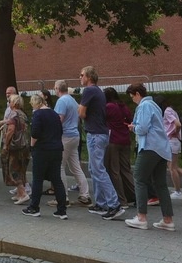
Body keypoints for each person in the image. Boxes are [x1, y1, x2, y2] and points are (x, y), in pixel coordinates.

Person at [125, 83, 175, 231]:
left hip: (149, 147)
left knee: (139, 178)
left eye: (132, 96)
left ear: (137, 94)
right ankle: (168, 219)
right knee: (160, 184)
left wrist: (134, 127)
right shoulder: (154, 105)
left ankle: (141, 217)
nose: (132, 99)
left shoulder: (144, 105)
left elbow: (143, 128)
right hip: (162, 149)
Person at [79, 66, 125, 220]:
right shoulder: (99, 91)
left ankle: (114, 204)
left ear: (89, 77)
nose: (80, 78)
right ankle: (101, 203)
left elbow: (81, 113)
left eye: (82, 75)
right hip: (101, 134)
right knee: (94, 168)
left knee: (98, 169)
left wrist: (83, 112)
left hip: (95, 135)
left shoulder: (89, 90)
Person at [22, 92, 67, 219]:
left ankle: (34, 207)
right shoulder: (54, 114)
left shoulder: (38, 114)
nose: (32, 107)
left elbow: (35, 133)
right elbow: (60, 130)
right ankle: (62, 210)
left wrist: (32, 146)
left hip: (42, 150)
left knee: (37, 179)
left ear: (35, 103)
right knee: (57, 179)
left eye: (32, 104)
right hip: (56, 149)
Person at [53, 80, 90, 205]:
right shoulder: (72, 100)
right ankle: (85, 195)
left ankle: (63, 198)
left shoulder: (61, 101)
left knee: (60, 166)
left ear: (58, 88)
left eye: (55, 88)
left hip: (65, 136)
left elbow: (59, 120)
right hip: (75, 135)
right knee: (76, 167)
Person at [103, 88, 135, 208]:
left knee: (114, 170)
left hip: (113, 141)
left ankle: (121, 200)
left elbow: (102, 119)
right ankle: (135, 196)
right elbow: (129, 120)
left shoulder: (108, 107)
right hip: (125, 140)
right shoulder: (123, 106)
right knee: (126, 170)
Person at [0, 93, 30, 204]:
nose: (9, 102)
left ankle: (23, 193)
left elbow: (11, 130)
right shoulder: (23, 114)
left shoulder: (13, 114)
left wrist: (6, 144)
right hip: (24, 145)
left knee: (14, 169)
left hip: (15, 147)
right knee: (21, 168)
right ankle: (19, 193)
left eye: (10, 101)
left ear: (14, 103)